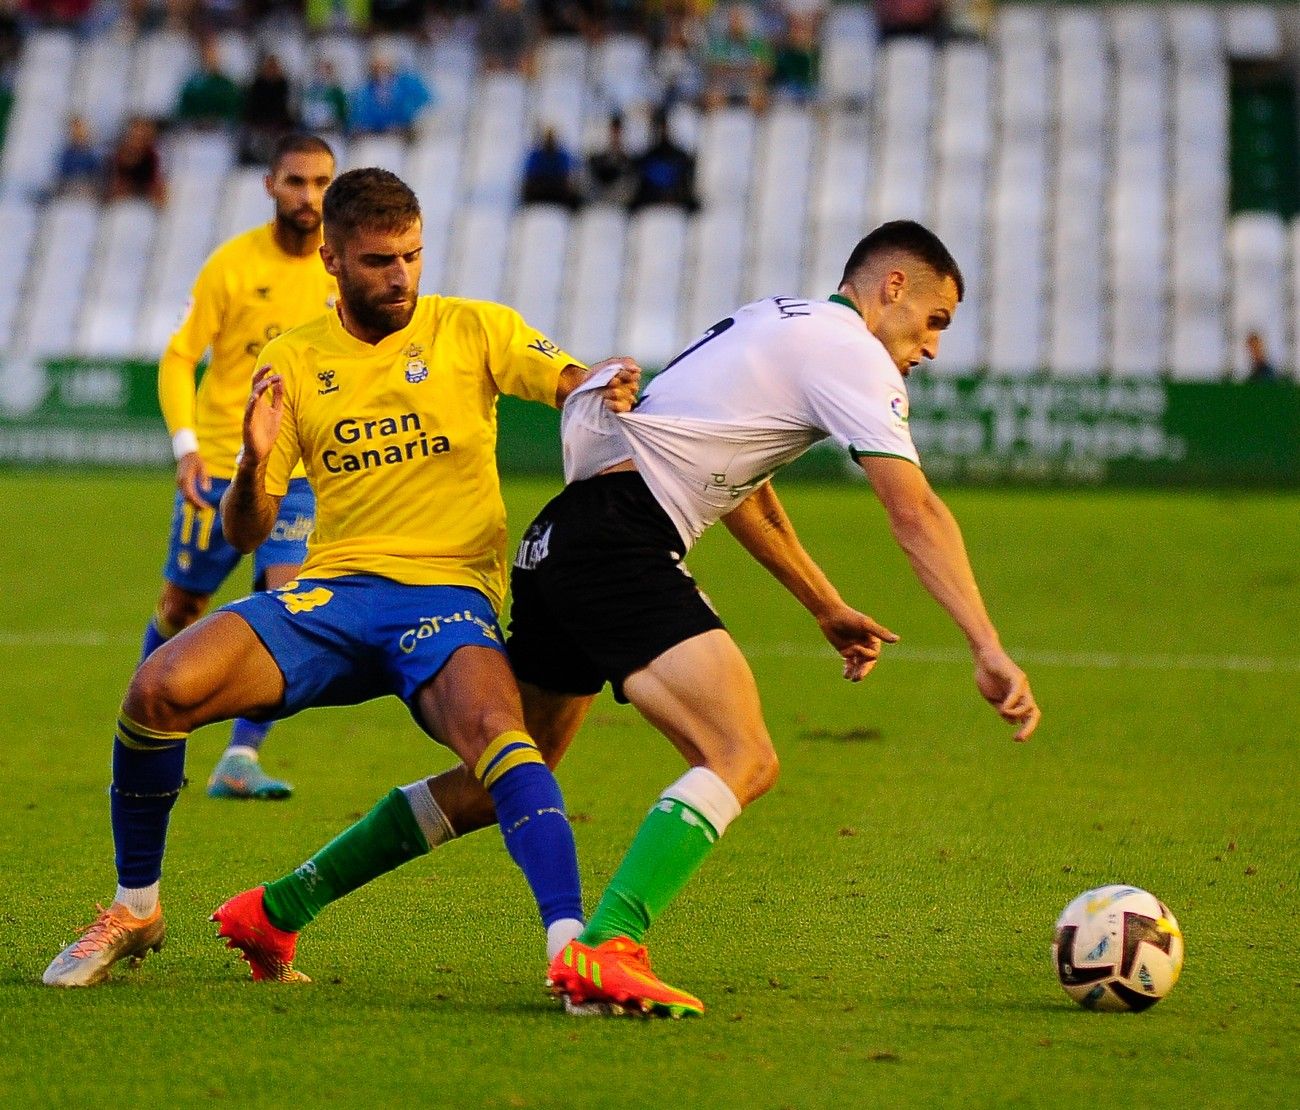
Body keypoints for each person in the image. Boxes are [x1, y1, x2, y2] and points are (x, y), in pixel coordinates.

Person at [207, 220, 1040, 1017]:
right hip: (618, 546)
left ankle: (277, 909)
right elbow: (915, 510)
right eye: (933, 321)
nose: (930, 345)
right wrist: (987, 645)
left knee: (501, 782)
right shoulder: (853, 354)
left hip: (563, 538)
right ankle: (609, 944)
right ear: (892, 286)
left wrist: (820, 600)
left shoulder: (776, 323)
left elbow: (730, 479)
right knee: (740, 753)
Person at [41, 167, 667, 1004]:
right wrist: (255, 462)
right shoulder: (293, 357)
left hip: (447, 600)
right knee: (157, 688)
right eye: (379, 260)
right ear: (332, 259)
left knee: (503, 740)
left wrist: (604, 382)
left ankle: (570, 949)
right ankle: (135, 909)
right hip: (333, 595)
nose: (401, 275)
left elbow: (570, 383)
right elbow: (248, 533)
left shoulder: (473, 328)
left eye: (411, 255)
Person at [133, 133, 339, 803]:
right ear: (271, 186)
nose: (310, 196)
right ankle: (144, 732)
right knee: (181, 606)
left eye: (321, 183)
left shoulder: (339, 273)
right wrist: (187, 446)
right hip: (220, 467)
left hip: (297, 475)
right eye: (297, 182)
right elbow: (178, 356)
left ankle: (241, 757)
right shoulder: (231, 265)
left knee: (292, 608)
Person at [348, 50, 434, 137]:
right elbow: (360, 119)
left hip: (402, 134)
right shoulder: (364, 91)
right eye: (377, 67)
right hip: (375, 136)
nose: (381, 71)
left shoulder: (407, 84)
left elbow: (425, 105)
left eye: (384, 66)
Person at [628, 108, 699, 212]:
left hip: (676, 202)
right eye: (660, 128)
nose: (662, 132)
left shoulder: (680, 157)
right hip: (651, 203)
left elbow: (684, 186)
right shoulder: (647, 159)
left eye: (664, 128)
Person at [106, 116, 167, 206]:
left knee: (160, 191)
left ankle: (161, 218)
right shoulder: (122, 151)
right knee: (116, 189)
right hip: (127, 184)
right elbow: (118, 174)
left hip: (145, 184)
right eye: (136, 132)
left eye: (141, 132)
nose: (138, 134)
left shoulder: (151, 153)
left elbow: (153, 176)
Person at [520, 125, 583, 210]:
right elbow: (529, 177)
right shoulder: (535, 155)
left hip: (557, 191)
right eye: (548, 138)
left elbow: (567, 177)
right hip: (539, 192)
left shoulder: (562, 155)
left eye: (552, 138)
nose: (550, 140)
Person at [55, 114, 104, 198]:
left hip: (87, 186)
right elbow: (63, 173)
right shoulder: (67, 153)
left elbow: (96, 173)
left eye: (80, 130)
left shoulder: (92, 153)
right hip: (69, 185)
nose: (77, 133)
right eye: (74, 131)